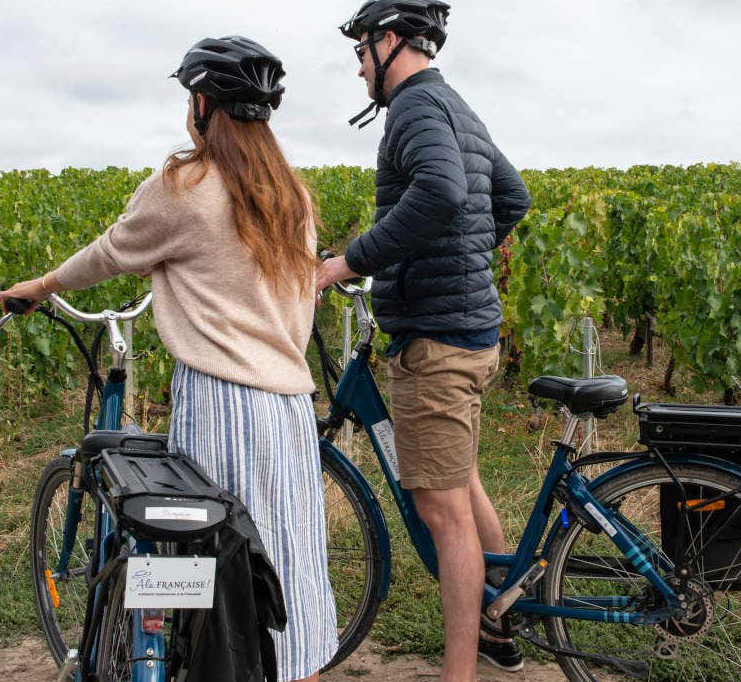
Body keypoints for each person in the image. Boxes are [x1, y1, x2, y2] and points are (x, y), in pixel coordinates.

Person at [0, 36, 338, 682]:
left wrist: (41, 287)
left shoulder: (186, 187)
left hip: (222, 406)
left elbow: (112, 251)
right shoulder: (294, 198)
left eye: (191, 97)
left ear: (204, 105)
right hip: (290, 410)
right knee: (282, 577)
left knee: (197, 576)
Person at [317, 2, 533, 680]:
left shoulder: (413, 109)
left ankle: (459, 673)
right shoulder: (456, 106)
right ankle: (501, 621)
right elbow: (513, 196)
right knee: (461, 483)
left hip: (436, 341)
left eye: (360, 53)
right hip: (471, 329)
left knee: (443, 513)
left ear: (390, 41)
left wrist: (347, 262)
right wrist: (468, 252)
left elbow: (438, 190)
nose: (358, 69)